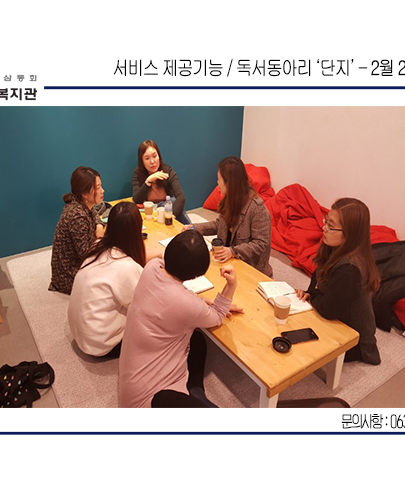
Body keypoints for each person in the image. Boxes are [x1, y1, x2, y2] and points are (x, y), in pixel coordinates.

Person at [119, 230, 242, 408]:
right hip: (151, 398)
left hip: (132, 380)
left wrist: (200, 301)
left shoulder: (152, 267)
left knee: (197, 339)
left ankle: (196, 391)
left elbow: (172, 298)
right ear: (196, 274)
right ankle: (196, 393)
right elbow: (217, 317)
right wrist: (231, 285)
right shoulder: (187, 304)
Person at [295, 198, 382, 365]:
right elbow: (316, 280)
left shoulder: (349, 269)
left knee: (294, 342)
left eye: (331, 226)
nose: (324, 228)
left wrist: (313, 296)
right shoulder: (334, 248)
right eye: (326, 221)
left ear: (350, 233)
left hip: (352, 338)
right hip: (334, 315)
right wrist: (309, 293)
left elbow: (328, 310)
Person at [68, 202, 147, 358]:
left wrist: (156, 257)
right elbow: (144, 306)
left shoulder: (97, 247)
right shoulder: (126, 267)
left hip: (80, 333)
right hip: (101, 344)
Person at [185, 156, 273, 277]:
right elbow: (218, 224)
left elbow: (261, 243)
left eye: (219, 179)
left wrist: (232, 251)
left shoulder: (257, 209)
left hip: (250, 269)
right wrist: (194, 228)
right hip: (227, 261)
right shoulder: (230, 199)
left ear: (229, 183)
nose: (217, 183)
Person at [49, 166, 105, 295]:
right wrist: (103, 241)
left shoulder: (81, 203)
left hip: (75, 266)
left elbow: (95, 214)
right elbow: (88, 256)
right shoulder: (77, 216)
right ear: (84, 193)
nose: (102, 190)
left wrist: (99, 225)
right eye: (97, 188)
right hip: (69, 276)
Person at [132, 139, 192, 225]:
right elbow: (137, 199)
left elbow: (181, 197)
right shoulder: (138, 173)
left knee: (173, 201)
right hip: (150, 211)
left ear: (159, 156)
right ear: (142, 161)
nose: (152, 161)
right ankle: (190, 228)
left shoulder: (168, 171)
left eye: (154, 156)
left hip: (167, 208)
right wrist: (149, 181)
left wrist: (171, 215)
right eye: (147, 158)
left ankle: (189, 228)